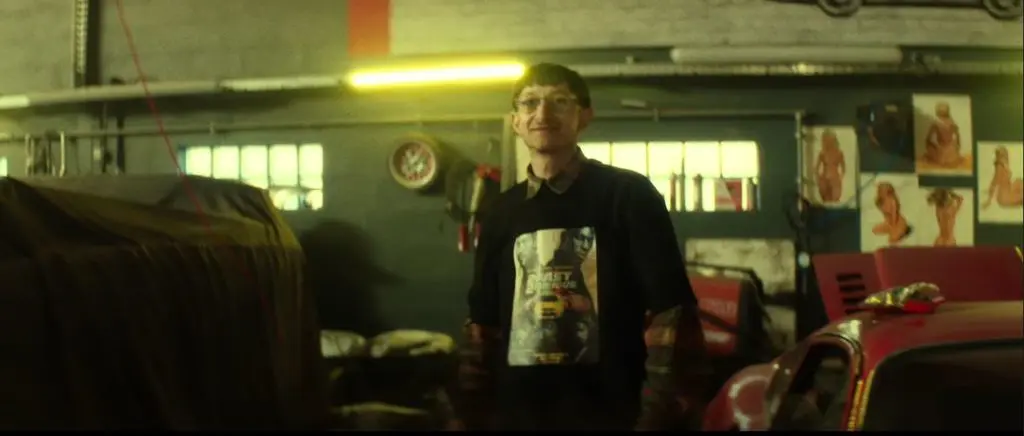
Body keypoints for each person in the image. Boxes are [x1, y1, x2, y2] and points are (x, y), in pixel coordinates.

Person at [454, 63, 709, 431]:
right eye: (530, 103)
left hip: (612, 414)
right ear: (515, 121)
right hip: (518, 416)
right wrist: (472, 413)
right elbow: (483, 324)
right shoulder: (500, 212)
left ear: (584, 116)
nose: (543, 113)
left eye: (559, 101)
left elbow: (671, 314)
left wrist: (657, 414)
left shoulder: (628, 196)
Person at [921, 101, 965, 169]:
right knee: (951, 148)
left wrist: (934, 145)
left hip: (940, 151)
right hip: (951, 151)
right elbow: (958, 137)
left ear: (937, 112)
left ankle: (933, 156)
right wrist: (957, 147)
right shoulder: (952, 123)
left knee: (930, 144)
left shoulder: (935, 124)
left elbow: (929, 138)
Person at [815, 129, 846, 204]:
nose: (827, 142)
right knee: (825, 200)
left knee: (835, 199)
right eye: (825, 140)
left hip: (835, 179)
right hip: (824, 178)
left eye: (829, 140)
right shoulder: (822, 153)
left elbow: (843, 167)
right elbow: (816, 168)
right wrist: (818, 178)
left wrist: (840, 177)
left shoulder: (839, 153)